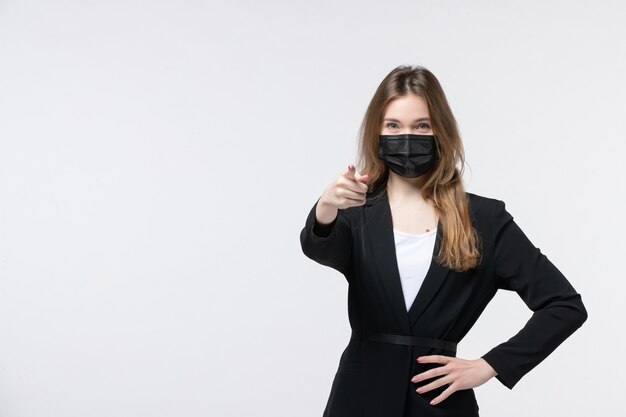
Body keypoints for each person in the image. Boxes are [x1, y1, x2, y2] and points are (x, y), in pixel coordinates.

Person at [299, 65, 588, 417]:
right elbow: (320, 246)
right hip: (358, 397)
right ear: (376, 132)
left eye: (421, 125)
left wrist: (489, 364)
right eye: (393, 126)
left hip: (439, 403)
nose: (407, 136)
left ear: (441, 131)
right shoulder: (356, 212)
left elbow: (564, 305)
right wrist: (326, 206)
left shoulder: (484, 219)